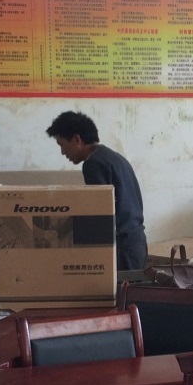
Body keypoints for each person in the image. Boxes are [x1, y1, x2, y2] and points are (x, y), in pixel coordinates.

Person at [46, 111, 146, 272]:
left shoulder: (93, 164)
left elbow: (100, 214)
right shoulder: (114, 158)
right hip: (136, 243)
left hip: (122, 249)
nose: (63, 152)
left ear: (77, 139)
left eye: (62, 145)